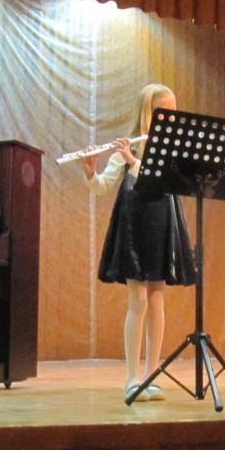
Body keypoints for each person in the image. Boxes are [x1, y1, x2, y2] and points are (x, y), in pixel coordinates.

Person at [81, 83, 196, 402]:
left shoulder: (173, 147)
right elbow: (103, 186)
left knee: (157, 298)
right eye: (164, 111)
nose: (171, 116)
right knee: (139, 300)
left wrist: (132, 159)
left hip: (162, 220)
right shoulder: (129, 145)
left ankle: (152, 375)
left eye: (173, 110)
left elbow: (168, 181)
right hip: (134, 225)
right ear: (149, 113)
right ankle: (132, 378)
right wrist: (90, 171)